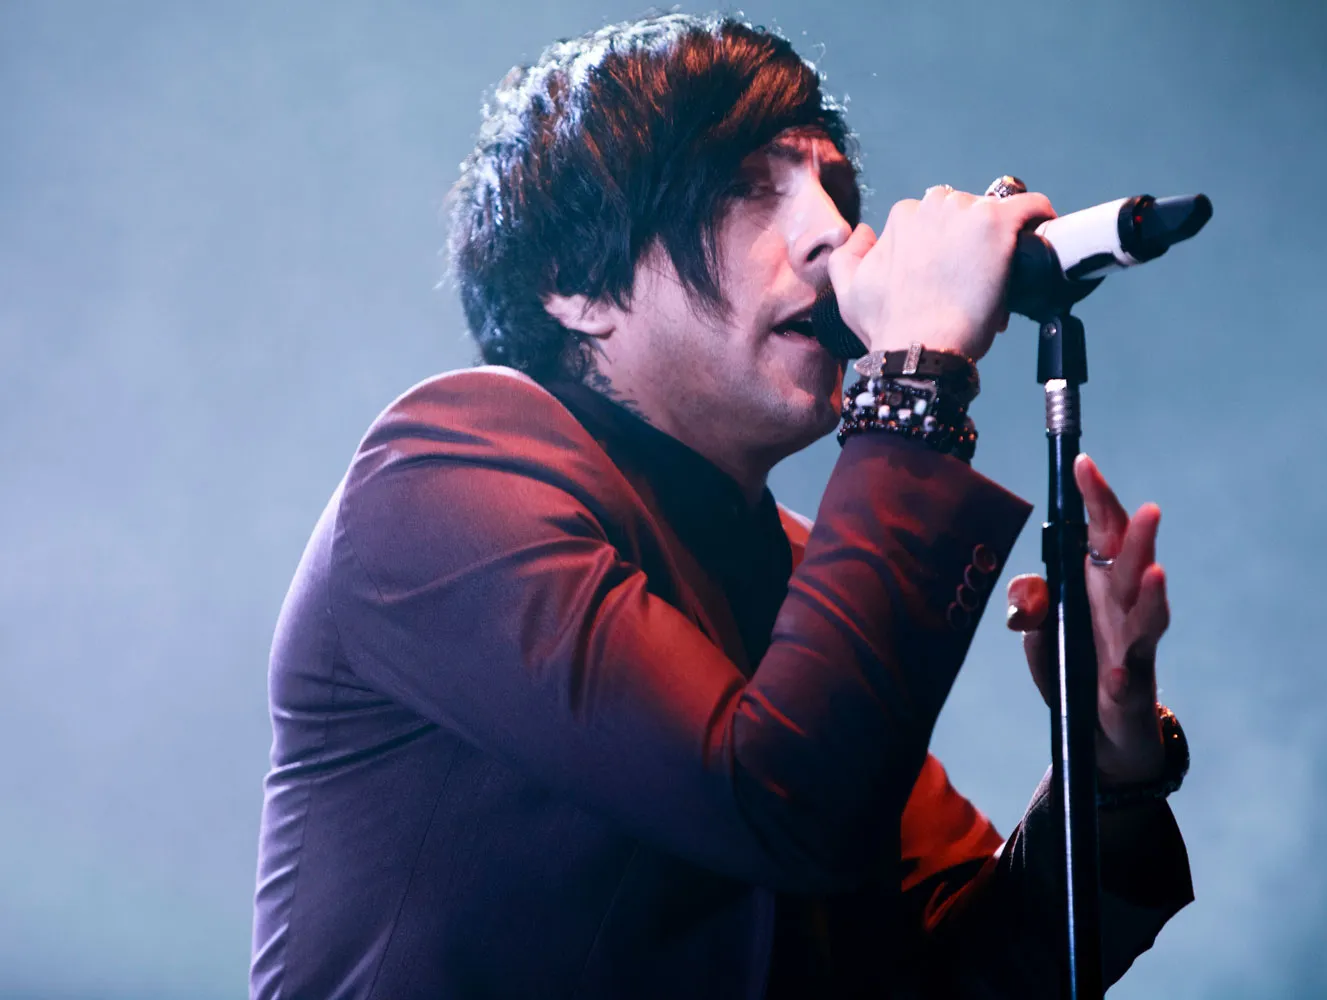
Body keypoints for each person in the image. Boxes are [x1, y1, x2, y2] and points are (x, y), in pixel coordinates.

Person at [251, 13, 1192, 998]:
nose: (835, 233)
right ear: (574, 282)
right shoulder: (443, 468)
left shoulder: (799, 569)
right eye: (748, 187)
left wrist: (1110, 766)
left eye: (836, 191)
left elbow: (961, 975)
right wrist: (914, 384)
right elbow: (778, 801)